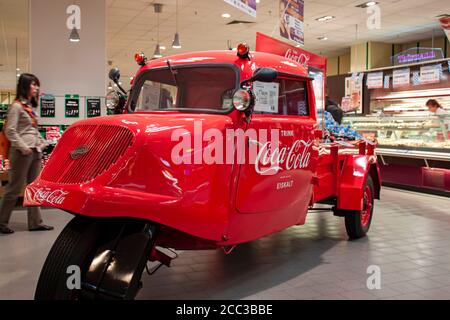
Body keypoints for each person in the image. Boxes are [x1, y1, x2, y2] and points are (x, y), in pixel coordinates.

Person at [0, 73, 54, 234]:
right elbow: (10, 130)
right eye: (33, 84)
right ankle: (1, 222)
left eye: (37, 85)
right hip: (22, 153)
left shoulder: (29, 107)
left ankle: (35, 222)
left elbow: (31, 130)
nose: (36, 88)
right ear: (24, 86)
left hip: (34, 152)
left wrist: (42, 144)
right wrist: (24, 147)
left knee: (33, 189)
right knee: (14, 189)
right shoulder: (16, 107)